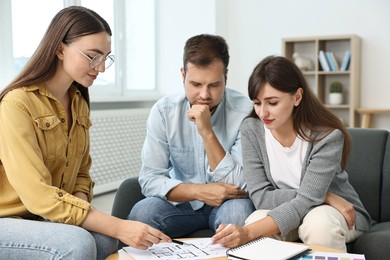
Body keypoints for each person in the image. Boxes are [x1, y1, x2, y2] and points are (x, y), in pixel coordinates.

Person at [0, 6, 170, 260]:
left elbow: (80, 174)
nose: (100, 68)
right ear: (60, 49)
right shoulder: (16, 105)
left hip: (47, 216)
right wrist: (119, 225)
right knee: (78, 244)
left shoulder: (78, 101)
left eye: (105, 58)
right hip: (9, 220)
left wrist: (81, 216)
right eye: (93, 56)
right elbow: (37, 195)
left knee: (105, 239)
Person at [210, 56, 372, 251]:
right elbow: (261, 197)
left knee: (319, 225)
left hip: (333, 212)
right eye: (257, 103)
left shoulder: (327, 137)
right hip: (299, 207)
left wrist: (318, 198)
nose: (263, 113)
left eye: (272, 102)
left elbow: (308, 200)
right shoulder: (251, 130)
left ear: (297, 97)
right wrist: (325, 195)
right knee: (256, 218)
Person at [128, 34, 255, 237]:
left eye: (214, 85)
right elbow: (150, 178)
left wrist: (207, 132)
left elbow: (241, 183)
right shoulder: (164, 111)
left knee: (239, 216)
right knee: (143, 213)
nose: (204, 95)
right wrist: (198, 191)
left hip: (229, 202)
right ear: (182, 75)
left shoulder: (246, 112)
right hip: (182, 204)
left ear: (226, 77)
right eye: (196, 84)